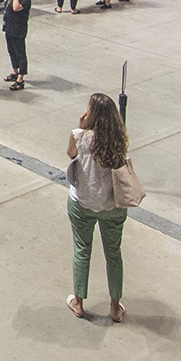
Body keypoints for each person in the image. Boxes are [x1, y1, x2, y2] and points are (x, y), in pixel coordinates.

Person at [66, 92, 135, 323]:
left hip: (82, 204)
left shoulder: (79, 136)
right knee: (114, 254)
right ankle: (115, 307)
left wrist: (80, 126)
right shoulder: (118, 140)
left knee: (82, 250)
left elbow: (70, 154)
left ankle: (78, 302)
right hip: (113, 207)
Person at [3, 0, 31, 90]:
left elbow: (16, 8)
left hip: (18, 29)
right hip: (9, 27)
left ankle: (20, 78)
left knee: (20, 53)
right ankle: (14, 71)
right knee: (11, 50)